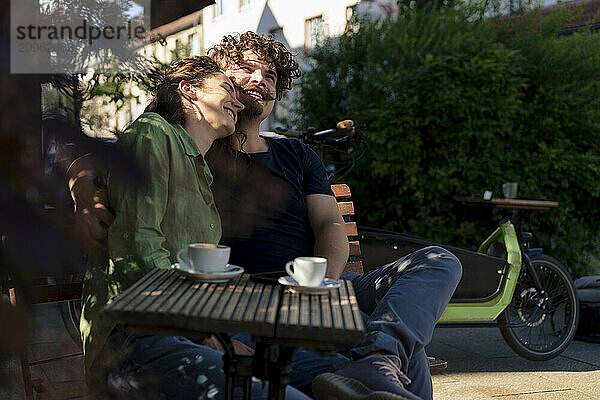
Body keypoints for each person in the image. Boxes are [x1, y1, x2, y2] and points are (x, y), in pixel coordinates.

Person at [71, 33, 462, 400]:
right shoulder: (195, 145)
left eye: (271, 75)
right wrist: (86, 193)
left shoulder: (297, 154)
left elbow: (330, 224)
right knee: (395, 362)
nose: (261, 79)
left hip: (316, 291)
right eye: (246, 69)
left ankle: (381, 354)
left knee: (437, 262)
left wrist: (318, 290)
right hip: (245, 303)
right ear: (220, 79)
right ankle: (379, 361)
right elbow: (110, 154)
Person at [79, 56, 309, 400]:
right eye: (227, 88)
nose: (237, 99)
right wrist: (202, 331)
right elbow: (138, 244)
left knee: (325, 372)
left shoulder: (202, 166)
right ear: (188, 90)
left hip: (191, 330)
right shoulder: (154, 133)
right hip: (134, 336)